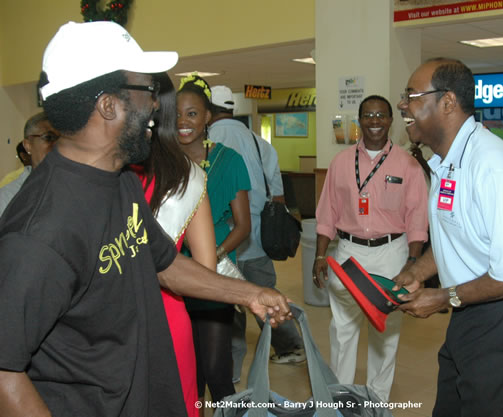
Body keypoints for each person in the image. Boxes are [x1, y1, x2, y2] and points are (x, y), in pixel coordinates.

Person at [0, 21, 290, 417]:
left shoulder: (118, 182)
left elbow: (164, 262)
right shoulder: (39, 233)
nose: (156, 104)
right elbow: (5, 371)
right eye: (147, 91)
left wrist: (248, 294)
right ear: (108, 105)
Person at [394, 57, 503, 417]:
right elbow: (456, 232)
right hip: (471, 311)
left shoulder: (492, 164)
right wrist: (417, 272)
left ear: (447, 102)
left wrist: (444, 297)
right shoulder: (448, 161)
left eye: (412, 96)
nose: (403, 105)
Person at [313, 95, 428, 401]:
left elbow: (417, 220)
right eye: (368, 115)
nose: (374, 121)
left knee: (386, 335)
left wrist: (413, 262)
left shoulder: (408, 165)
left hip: (391, 254)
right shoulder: (340, 162)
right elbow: (327, 214)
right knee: (342, 331)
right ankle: (340, 399)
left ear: (390, 120)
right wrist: (320, 254)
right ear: (359, 121)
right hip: (348, 253)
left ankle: (377, 401)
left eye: (381, 115)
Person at [132, 72, 217, 417]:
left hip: (118, 315)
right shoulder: (191, 175)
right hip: (170, 312)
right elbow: (206, 269)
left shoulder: (116, 169)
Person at [207, 85, 305, 381]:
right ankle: (291, 348)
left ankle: (230, 370)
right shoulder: (262, 144)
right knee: (268, 299)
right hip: (257, 241)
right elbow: (278, 197)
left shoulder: (206, 142)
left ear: (208, 111)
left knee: (229, 307)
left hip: (222, 244)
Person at [176, 74, 252, 400]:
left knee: (216, 371)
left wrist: (213, 254)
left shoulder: (229, 160)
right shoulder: (163, 165)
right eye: (176, 115)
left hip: (214, 278)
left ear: (207, 116)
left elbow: (243, 225)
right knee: (186, 376)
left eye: (191, 114)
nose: (183, 122)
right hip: (172, 278)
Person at [0, 113, 59, 216]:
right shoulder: (9, 197)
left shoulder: (76, 188)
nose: (57, 145)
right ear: (28, 145)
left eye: (63, 139)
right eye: (49, 137)